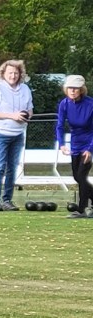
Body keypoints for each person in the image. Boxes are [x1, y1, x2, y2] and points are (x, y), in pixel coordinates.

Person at [0, 60, 33, 212]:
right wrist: (12, 116)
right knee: (0, 166)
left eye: (16, 73)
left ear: (20, 74)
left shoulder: (25, 89)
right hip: (1, 133)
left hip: (18, 134)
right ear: (3, 74)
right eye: (10, 73)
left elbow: (30, 110)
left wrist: (26, 117)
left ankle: (7, 200)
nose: (13, 76)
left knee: (12, 168)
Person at [56, 75, 93, 218]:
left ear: (81, 90)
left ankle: (82, 209)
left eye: (75, 88)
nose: (72, 91)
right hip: (75, 144)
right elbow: (60, 126)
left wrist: (89, 149)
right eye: (70, 88)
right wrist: (61, 144)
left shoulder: (90, 104)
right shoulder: (64, 104)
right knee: (77, 176)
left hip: (89, 143)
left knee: (82, 176)